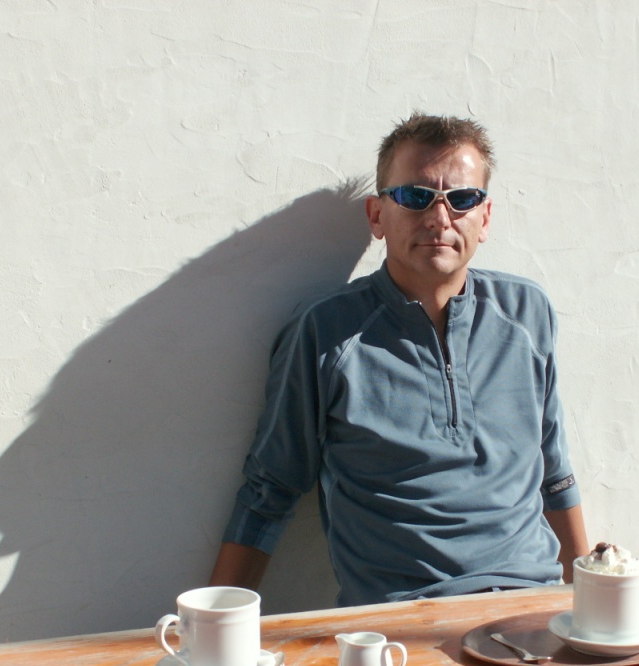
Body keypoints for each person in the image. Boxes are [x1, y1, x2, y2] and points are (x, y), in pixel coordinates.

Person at [209, 112, 589, 606]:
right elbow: (270, 490)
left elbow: (553, 471)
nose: (439, 218)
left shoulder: (526, 313)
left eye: (462, 199)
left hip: (527, 605)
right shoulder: (327, 332)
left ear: (485, 217)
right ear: (376, 216)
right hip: (400, 620)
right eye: (415, 196)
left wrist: (589, 599)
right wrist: (208, 626)